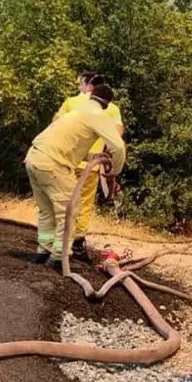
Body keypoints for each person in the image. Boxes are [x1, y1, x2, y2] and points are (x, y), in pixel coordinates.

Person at [25, 80, 126, 265]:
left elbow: (70, 146)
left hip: (34, 158)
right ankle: (59, 256)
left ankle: (43, 251)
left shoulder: (77, 112)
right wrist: (114, 172)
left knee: (47, 210)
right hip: (53, 163)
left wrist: (93, 157)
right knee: (70, 210)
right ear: (107, 104)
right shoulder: (98, 115)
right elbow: (118, 147)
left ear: (91, 95)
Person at [54, 71, 124, 257]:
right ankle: (77, 243)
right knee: (84, 204)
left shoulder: (71, 102)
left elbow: (55, 124)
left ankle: (57, 240)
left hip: (66, 160)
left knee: (62, 200)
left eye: (81, 84)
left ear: (89, 86)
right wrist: (108, 162)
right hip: (91, 165)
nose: (79, 88)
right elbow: (117, 135)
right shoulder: (112, 108)